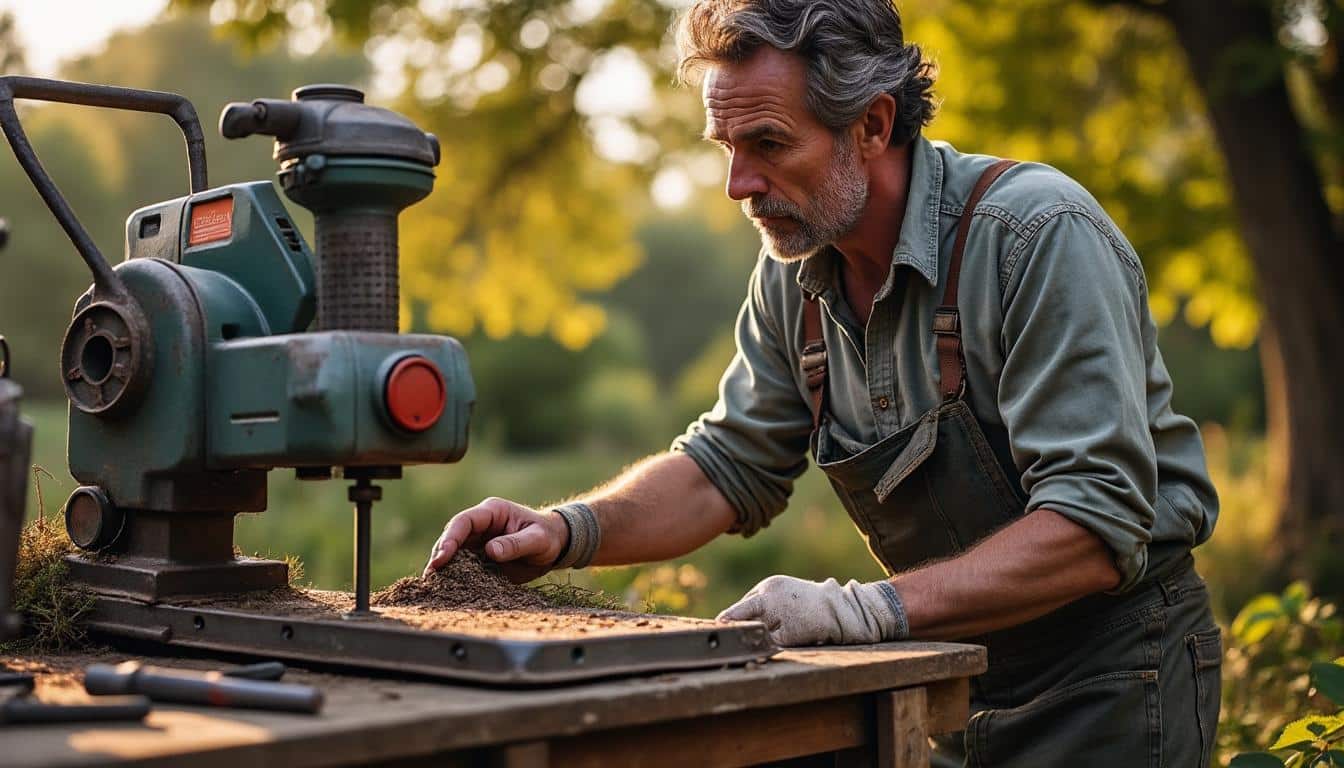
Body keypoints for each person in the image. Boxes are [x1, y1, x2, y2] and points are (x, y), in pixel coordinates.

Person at [424, 1, 1222, 764]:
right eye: (725, 147)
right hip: (946, 681)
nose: (738, 184)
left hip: (1111, 685)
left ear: (873, 124)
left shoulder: (1038, 238)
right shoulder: (794, 276)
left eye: (769, 144)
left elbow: (1094, 525)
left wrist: (861, 613)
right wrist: (565, 531)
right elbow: (724, 468)